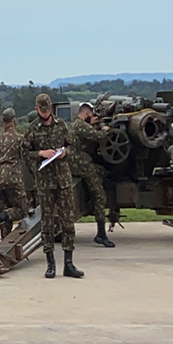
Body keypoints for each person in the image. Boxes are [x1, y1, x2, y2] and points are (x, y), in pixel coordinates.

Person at [23, 93, 83, 279]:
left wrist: (65, 152)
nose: (45, 113)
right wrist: (40, 153)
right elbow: (24, 153)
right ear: (37, 109)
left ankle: (69, 263)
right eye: (42, 110)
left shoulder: (61, 125)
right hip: (45, 182)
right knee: (48, 223)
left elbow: (73, 146)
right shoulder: (33, 129)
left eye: (47, 110)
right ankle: (50, 264)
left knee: (68, 221)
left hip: (63, 181)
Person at [69, 102, 116, 248]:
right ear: (86, 114)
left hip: (75, 162)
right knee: (100, 196)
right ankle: (101, 234)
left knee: (101, 172)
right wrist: (105, 129)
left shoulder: (75, 125)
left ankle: (92, 196)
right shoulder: (81, 125)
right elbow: (98, 136)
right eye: (91, 115)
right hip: (81, 163)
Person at [0, 108, 29, 239]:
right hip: (14, 179)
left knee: (5, 217)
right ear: (14, 121)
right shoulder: (20, 139)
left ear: (3, 122)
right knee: (22, 210)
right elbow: (28, 159)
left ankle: (4, 244)